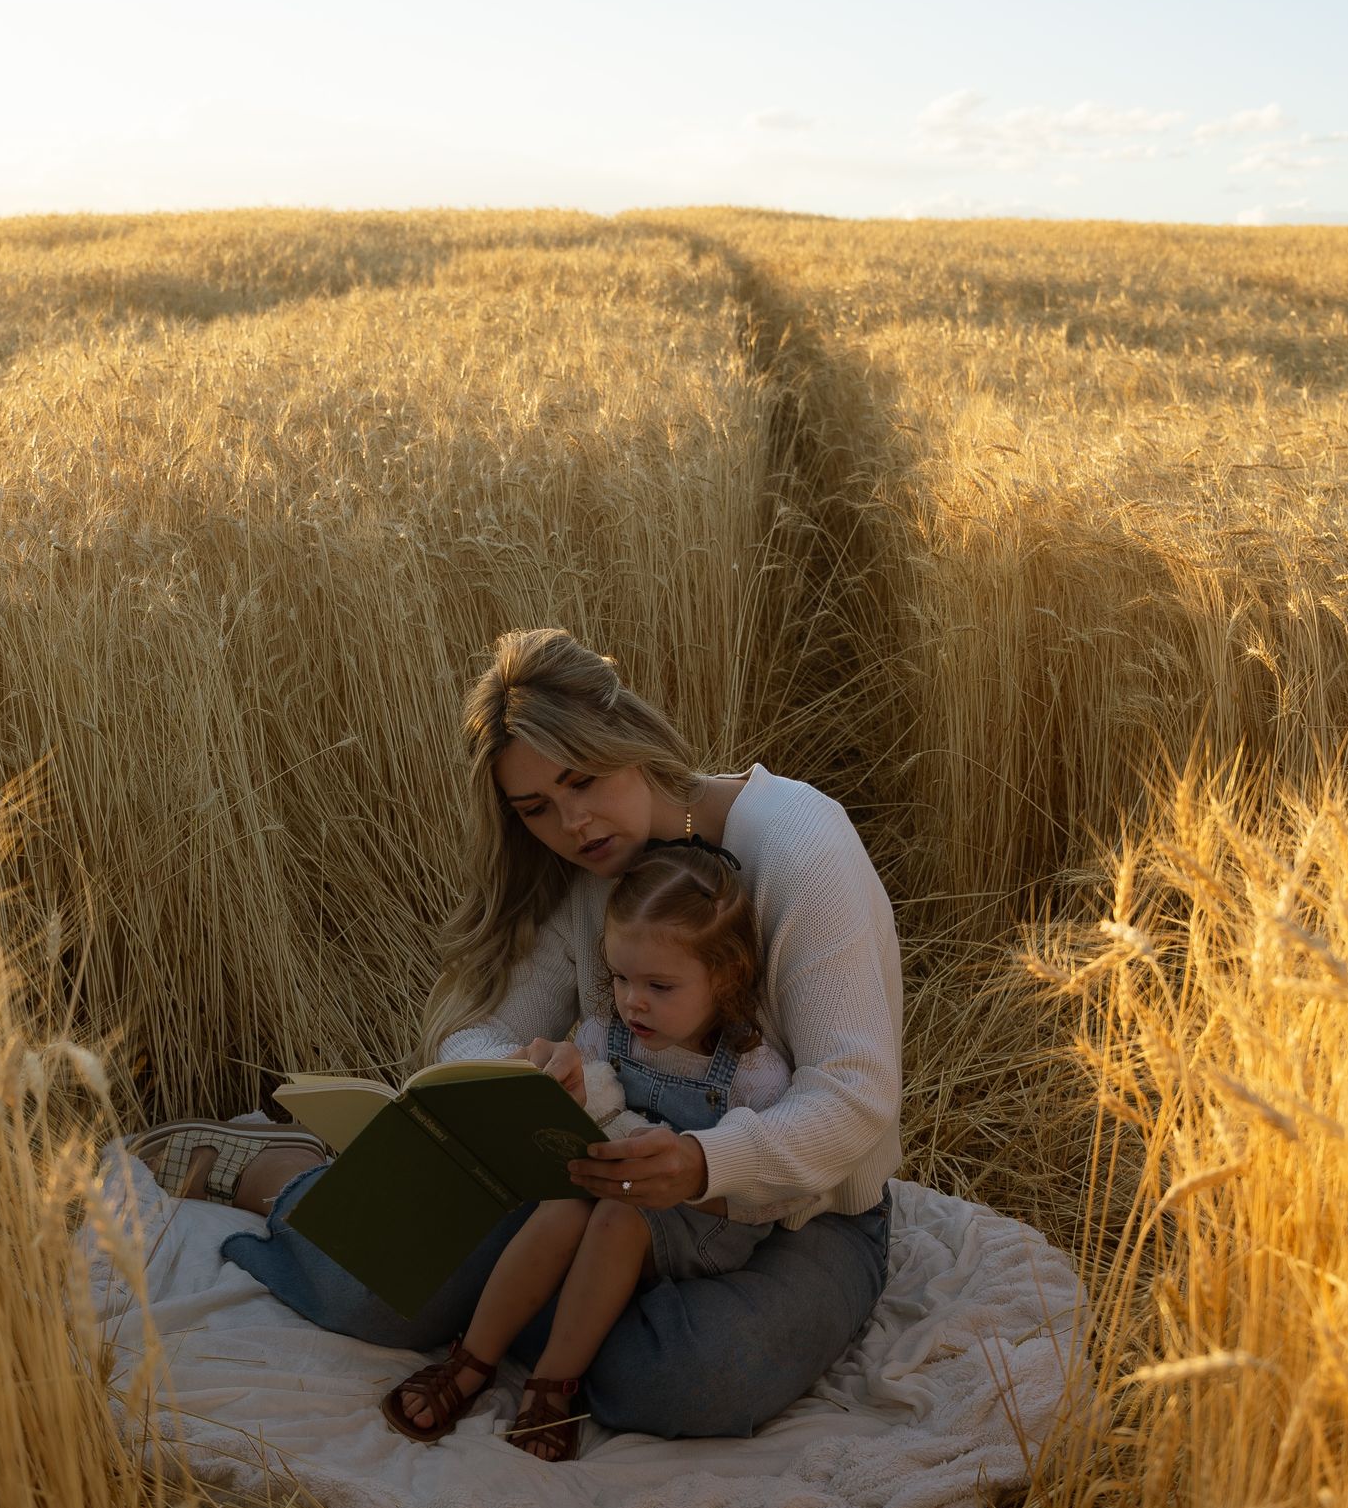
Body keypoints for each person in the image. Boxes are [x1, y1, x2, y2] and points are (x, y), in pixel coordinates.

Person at [199, 625, 904, 1443]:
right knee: (365, 1288)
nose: (572, 823)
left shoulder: (799, 846)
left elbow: (854, 1099)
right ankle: (279, 1174)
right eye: (536, 807)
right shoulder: (591, 874)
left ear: (628, 737)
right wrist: (524, 1072)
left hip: (793, 1219)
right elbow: (472, 1029)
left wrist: (706, 1163)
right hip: (601, 1190)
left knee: (688, 1380)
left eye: (583, 779)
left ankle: (520, 1324)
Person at [380, 843, 792, 1461]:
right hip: (620, 1187)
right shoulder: (611, 1032)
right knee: (569, 1202)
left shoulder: (752, 1073)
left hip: (709, 1218)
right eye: (621, 978)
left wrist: (700, 1169)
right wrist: (567, 1094)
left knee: (618, 1217)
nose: (634, 1002)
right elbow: (600, 1103)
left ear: (726, 976)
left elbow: (771, 1183)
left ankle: (555, 1382)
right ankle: (473, 1360)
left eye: (660, 985)